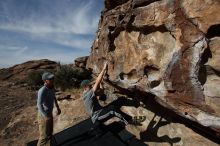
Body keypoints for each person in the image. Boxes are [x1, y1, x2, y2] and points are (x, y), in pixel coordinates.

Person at [81, 62, 145, 126]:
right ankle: (129, 121)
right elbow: (97, 81)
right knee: (113, 109)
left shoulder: (89, 93)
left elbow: (101, 91)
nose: (92, 86)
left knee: (120, 100)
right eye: (90, 86)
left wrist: (101, 81)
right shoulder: (87, 94)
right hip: (97, 117)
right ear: (85, 87)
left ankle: (137, 103)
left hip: (102, 111)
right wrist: (103, 69)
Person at [37, 72, 61, 146]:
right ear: (45, 81)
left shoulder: (52, 87)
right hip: (43, 115)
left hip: (49, 113)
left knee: (50, 132)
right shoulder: (42, 90)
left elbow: (53, 96)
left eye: (53, 78)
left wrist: (57, 107)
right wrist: (45, 116)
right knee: (44, 136)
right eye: (50, 79)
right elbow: (39, 104)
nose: (53, 80)